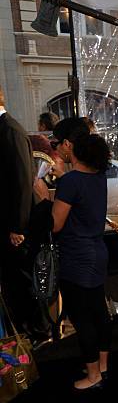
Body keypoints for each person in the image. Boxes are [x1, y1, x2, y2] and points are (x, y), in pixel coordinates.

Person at [33, 118, 112, 389]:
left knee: (82, 318)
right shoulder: (96, 176)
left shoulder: (71, 182)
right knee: (99, 313)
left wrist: (44, 197)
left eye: (59, 144)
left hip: (77, 257)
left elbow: (55, 224)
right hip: (97, 254)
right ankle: (101, 366)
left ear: (70, 146)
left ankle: (93, 376)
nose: (57, 148)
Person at [0, 85, 39, 334]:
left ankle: (28, 334)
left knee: (19, 283)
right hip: (7, 223)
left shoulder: (10, 130)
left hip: (14, 227)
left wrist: (17, 226)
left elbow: (24, 181)